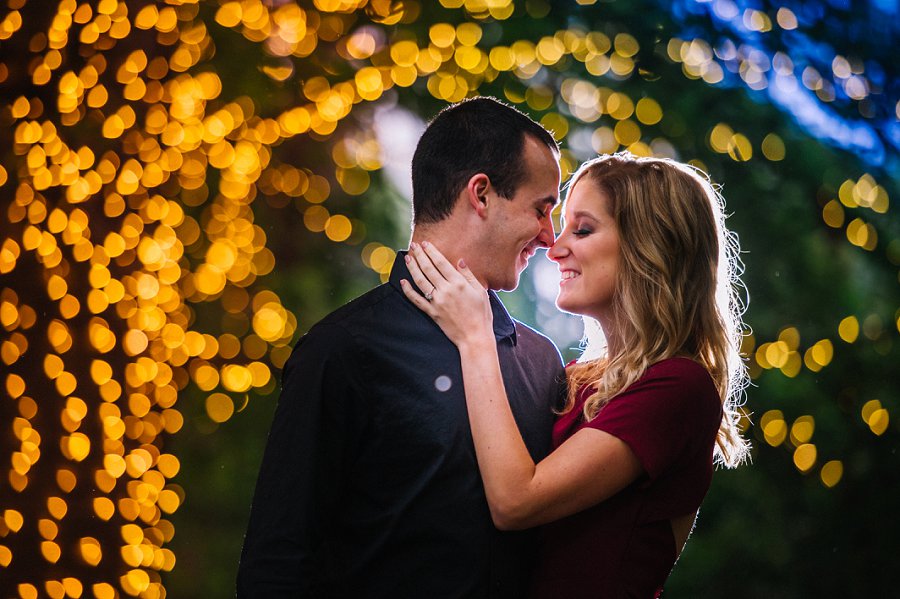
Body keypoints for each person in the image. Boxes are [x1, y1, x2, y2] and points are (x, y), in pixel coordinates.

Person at [236, 97, 567, 597]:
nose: (549, 236)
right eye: (541, 209)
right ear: (481, 194)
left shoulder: (541, 363)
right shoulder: (345, 350)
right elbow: (277, 564)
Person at [402, 151, 751, 598]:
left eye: (582, 229)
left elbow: (515, 502)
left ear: (650, 246)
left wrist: (476, 336)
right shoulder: (578, 379)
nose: (555, 246)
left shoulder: (680, 388)